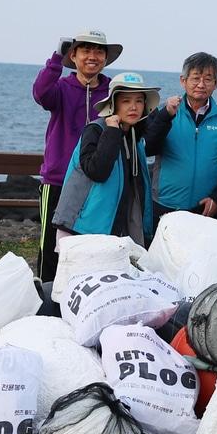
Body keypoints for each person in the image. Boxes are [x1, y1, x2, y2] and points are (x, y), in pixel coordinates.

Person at [33, 30, 120, 281]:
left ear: (105, 57)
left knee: (92, 248)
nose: (93, 56)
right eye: (86, 50)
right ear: (74, 55)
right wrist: (55, 59)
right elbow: (40, 93)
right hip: (59, 180)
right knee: (51, 246)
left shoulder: (112, 90)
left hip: (97, 183)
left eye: (99, 51)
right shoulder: (61, 88)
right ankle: (47, 300)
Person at [52, 72, 158, 247]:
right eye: (126, 101)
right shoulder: (95, 130)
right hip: (82, 228)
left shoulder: (133, 136)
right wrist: (112, 131)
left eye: (139, 101)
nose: (134, 107)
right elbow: (97, 171)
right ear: (113, 104)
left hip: (112, 227)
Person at [144, 51, 217, 222]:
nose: (201, 84)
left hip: (206, 208)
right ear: (183, 81)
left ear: (216, 83)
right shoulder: (164, 112)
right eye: (195, 78)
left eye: (208, 79)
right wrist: (166, 117)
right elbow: (148, 148)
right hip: (165, 205)